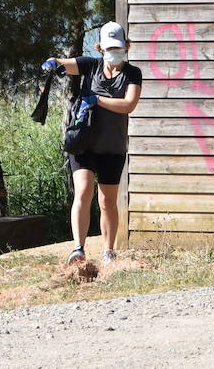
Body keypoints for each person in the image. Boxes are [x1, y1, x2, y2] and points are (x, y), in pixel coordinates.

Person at [43, 21, 143, 265]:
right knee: (83, 191)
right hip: (84, 143)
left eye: (118, 48)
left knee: (107, 202)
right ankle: (78, 248)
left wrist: (96, 99)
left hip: (112, 147)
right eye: (109, 48)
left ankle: (108, 251)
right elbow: (62, 62)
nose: (114, 52)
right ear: (101, 48)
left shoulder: (133, 73)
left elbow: (128, 104)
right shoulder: (90, 65)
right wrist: (52, 63)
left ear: (126, 47)